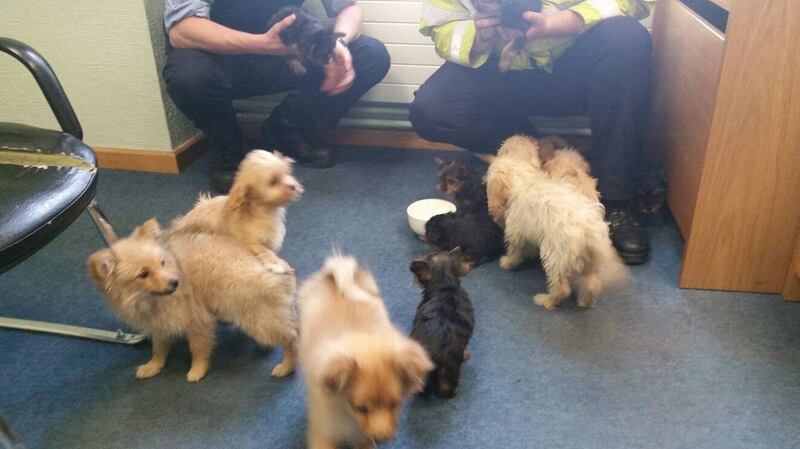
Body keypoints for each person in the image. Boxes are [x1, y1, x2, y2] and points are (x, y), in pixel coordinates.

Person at [409, 0, 655, 264]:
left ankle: (618, 200)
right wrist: (479, 38)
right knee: (431, 110)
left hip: (571, 63)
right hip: (496, 66)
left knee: (627, 38)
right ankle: (532, 149)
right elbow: (442, 24)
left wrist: (561, 22)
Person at [163, 0, 390, 192]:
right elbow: (182, 30)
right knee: (188, 76)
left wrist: (337, 44)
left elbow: (349, 8)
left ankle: (287, 129)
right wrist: (261, 44)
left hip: (289, 54)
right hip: (223, 53)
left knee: (371, 55)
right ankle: (228, 152)